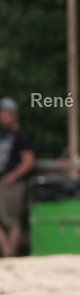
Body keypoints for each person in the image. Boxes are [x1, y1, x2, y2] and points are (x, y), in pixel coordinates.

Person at [0, 98, 34, 257]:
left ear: (15, 115)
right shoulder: (2, 135)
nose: (3, 116)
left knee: (12, 220)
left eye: (6, 113)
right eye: (1, 112)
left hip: (13, 184)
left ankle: (10, 255)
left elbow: (29, 162)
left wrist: (12, 177)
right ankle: (6, 252)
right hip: (2, 183)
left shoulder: (22, 136)